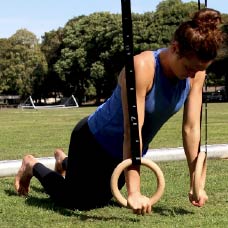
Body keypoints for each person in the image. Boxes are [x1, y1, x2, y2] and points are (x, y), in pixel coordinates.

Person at [15, 8, 224, 215]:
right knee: (76, 201)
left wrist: (195, 182)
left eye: (199, 69)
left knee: (101, 198)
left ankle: (65, 162)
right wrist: (134, 191)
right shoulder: (142, 67)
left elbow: (191, 128)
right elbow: (132, 130)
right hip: (93, 139)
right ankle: (32, 165)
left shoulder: (196, 74)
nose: (193, 74)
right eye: (189, 68)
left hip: (124, 152)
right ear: (175, 47)